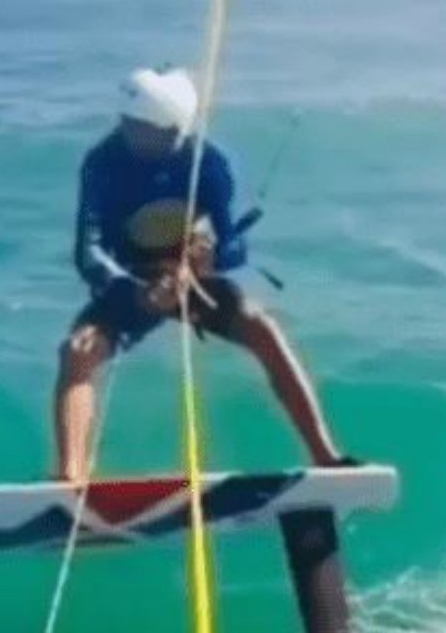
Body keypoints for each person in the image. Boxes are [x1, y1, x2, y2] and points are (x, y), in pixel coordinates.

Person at [54, 65, 357, 483]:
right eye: (125, 120)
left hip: (190, 279)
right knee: (78, 351)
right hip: (129, 284)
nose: (126, 129)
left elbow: (234, 245)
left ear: (170, 129)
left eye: (138, 125)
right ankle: (69, 481)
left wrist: (210, 255)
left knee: (263, 328)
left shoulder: (208, 163)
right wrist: (137, 291)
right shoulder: (102, 163)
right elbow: (87, 252)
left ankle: (326, 457)